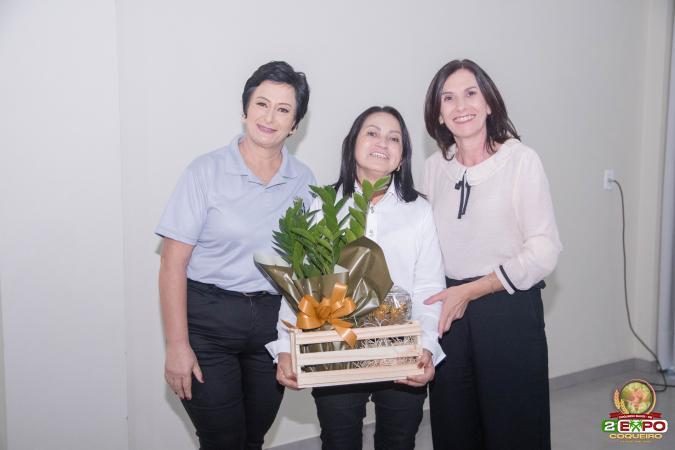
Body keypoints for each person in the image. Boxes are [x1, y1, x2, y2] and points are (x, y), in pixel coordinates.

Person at [156, 61, 315, 450]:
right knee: (222, 440)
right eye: (262, 104)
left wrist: (297, 341)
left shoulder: (304, 180)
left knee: (253, 438)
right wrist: (176, 346)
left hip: (272, 326)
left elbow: (306, 270)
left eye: (283, 109)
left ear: (294, 125)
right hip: (208, 322)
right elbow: (172, 264)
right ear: (245, 110)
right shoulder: (204, 172)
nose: (269, 117)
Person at [266, 106, 446, 450]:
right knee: (338, 442)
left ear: (402, 158)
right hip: (335, 349)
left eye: (394, 138)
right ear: (352, 145)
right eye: (372, 133)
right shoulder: (322, 206)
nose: (383, 142)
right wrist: (285, 348)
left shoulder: (419, 212)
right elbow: (299, 289)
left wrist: (426, 346)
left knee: (399, 442)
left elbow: (429, 289)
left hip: (401, 350)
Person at [421, 59, 563, 450]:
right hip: (448, 314)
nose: (460, 106)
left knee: (514, 427)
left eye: (471, 93)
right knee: (454, 427)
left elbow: (544, 249)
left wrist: (472, 290)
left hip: (507, 308)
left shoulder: (520, 160)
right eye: (448, 98)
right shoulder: (433, 169)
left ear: (488, 103)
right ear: (438, 113)